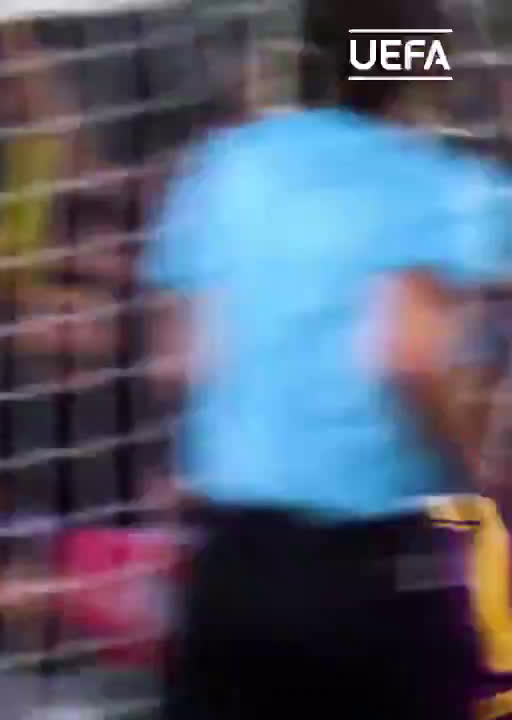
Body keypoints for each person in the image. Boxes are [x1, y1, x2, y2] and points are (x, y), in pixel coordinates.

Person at [139, 1, 512, 718]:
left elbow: (181, 360)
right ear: (422, 65)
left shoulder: (226, 165)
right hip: (370, 571)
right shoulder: (433, 181)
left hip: (232, 562)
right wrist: (476, 468)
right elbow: (410, 355)